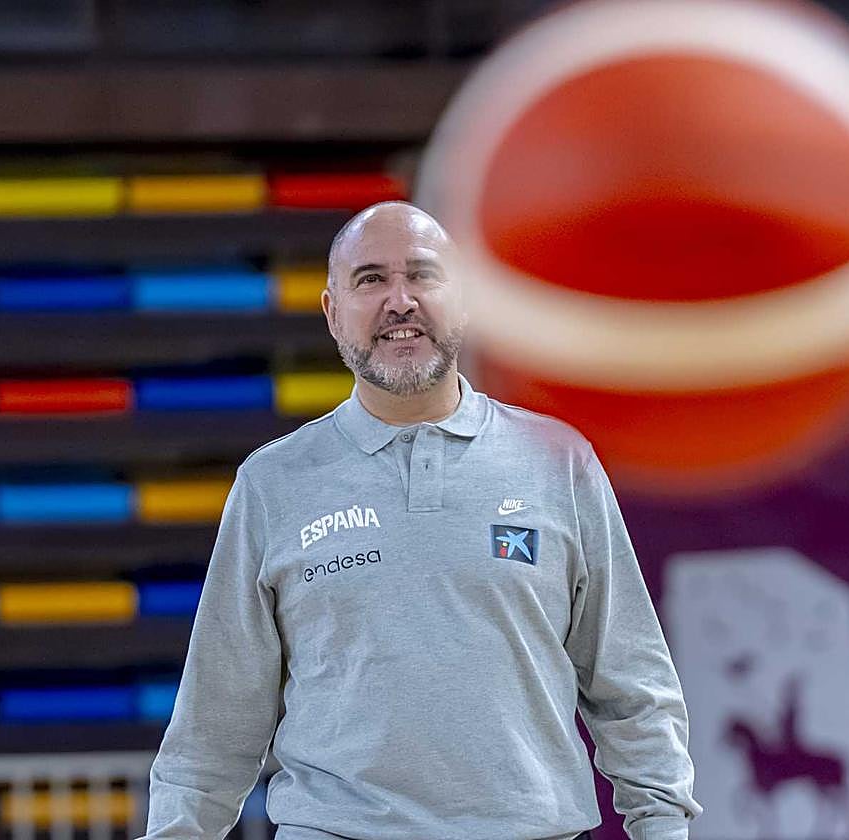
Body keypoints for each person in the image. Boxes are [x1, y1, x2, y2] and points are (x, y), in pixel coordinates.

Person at [142, 202, 701, 840]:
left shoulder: (559, 461)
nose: (400, 301)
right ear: (332, 313)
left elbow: (633, 686)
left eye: (423, 276)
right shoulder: (273, 484)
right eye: (371, 279)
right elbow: (213, 727)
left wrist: (663, 824)